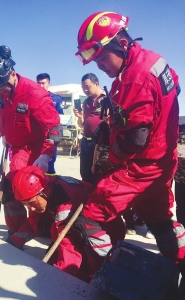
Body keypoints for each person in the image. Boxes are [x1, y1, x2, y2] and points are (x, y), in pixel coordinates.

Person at [70, 11, 181, 271]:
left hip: (141, 167)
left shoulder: (134, 77)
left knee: (88, 216)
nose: (98, 66)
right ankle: (179, 268)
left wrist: (111, 160)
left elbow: (135, 138)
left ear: (120, 44)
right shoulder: (154, 61)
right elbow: (174, 89)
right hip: (162, 161)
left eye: (100, 58)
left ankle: (112, 274)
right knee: (160, 221)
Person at [0, 45, 61, 247]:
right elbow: (4, 114)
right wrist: (5, 135)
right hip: (17, 149)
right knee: (9, 188)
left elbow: (54, 129)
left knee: (30, 191)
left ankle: (29, 232)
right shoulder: (1, 91)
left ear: (12, 74)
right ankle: (15, 229)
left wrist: (45, 157)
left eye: (2, 86)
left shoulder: (36, 95)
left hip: (37, 149)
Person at [11, 166, 95, 281]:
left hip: (103, 232)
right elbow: (32, 223)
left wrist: (58, 279)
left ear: (46, 190)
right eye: (27, 205)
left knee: (78, 277)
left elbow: (69, 247)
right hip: (79, 225)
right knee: (51, 260)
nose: (32, 209)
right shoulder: (43, 188)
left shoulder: (64, 203)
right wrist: (14, 241)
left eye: (32, 203)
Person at [73, 73, 105, 184]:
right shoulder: (86, 102)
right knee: (85, 172)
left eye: (87, 87)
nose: (85, 90)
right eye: (83, 88)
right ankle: (87, 198)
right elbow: (82, 124)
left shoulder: (107, 99)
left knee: (99, 172)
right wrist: (79, 116)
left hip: (100, 143)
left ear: (96, 84)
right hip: (86, 142)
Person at [36, 73, 63, 175]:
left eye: (43, 83)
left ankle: (50, 188)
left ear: (49, 84)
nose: (40, 86)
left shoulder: (56, 99)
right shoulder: (32, 97)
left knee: (49, 164)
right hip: (36, 136)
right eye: (38, 83)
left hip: (50, 136)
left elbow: (60, 117)